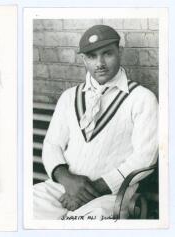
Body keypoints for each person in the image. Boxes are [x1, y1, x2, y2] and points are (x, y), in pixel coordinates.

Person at [33, 25, 158, 220]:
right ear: (83, 60)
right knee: (23, 209)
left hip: (111, 194)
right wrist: (67, 180)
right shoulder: (69, 96)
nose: (100, 63)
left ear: (120, 52)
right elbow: (52, 145)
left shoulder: (142, 98)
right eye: (91, 57)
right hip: (62, 186)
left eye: (107, 53)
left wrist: (92, 190)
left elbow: (146, 157)